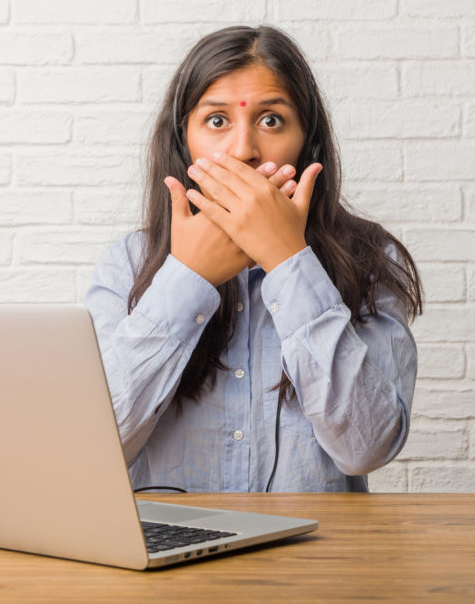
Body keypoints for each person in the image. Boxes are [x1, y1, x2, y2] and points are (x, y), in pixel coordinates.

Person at [85, 24, 424, 492]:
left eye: (270, 120)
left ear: (308, 141)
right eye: (217, 121)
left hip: (315, 560)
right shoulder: (129, 264)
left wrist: (288, 260)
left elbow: (366, 448)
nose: (243, 151)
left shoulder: (366, 260)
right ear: (184, 141)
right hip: (171, 555)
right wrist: (187, 279)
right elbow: (93, 446)